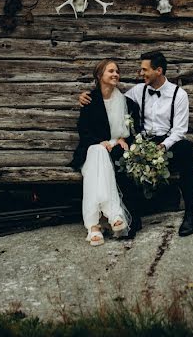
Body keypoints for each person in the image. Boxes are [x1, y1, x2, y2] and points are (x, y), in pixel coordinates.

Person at [79, 51, 193, 237]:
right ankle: (134, 217)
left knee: (187, 148)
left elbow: (180, 131)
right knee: (120, 155)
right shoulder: (138, 91)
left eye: (144, 70)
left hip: (167, 143)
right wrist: (85, 96)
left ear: (158, 70)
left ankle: (190, 213)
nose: (140, 73)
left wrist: (163, 146)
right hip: (142, 143)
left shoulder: (179, 95)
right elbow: (111, 98)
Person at [70, 59, 142, 246]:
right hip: (91, 150)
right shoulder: (90, 100)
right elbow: (84, 131)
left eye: (117, 71)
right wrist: (99, 142)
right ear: (99, 76)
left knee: (101, 153)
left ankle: (93, 226)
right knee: (98, 151)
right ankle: (114, 214)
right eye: (110, 71)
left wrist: (123, 140)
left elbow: (137, 132)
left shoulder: (128, 104)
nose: (115, 74)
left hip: (114, 150)